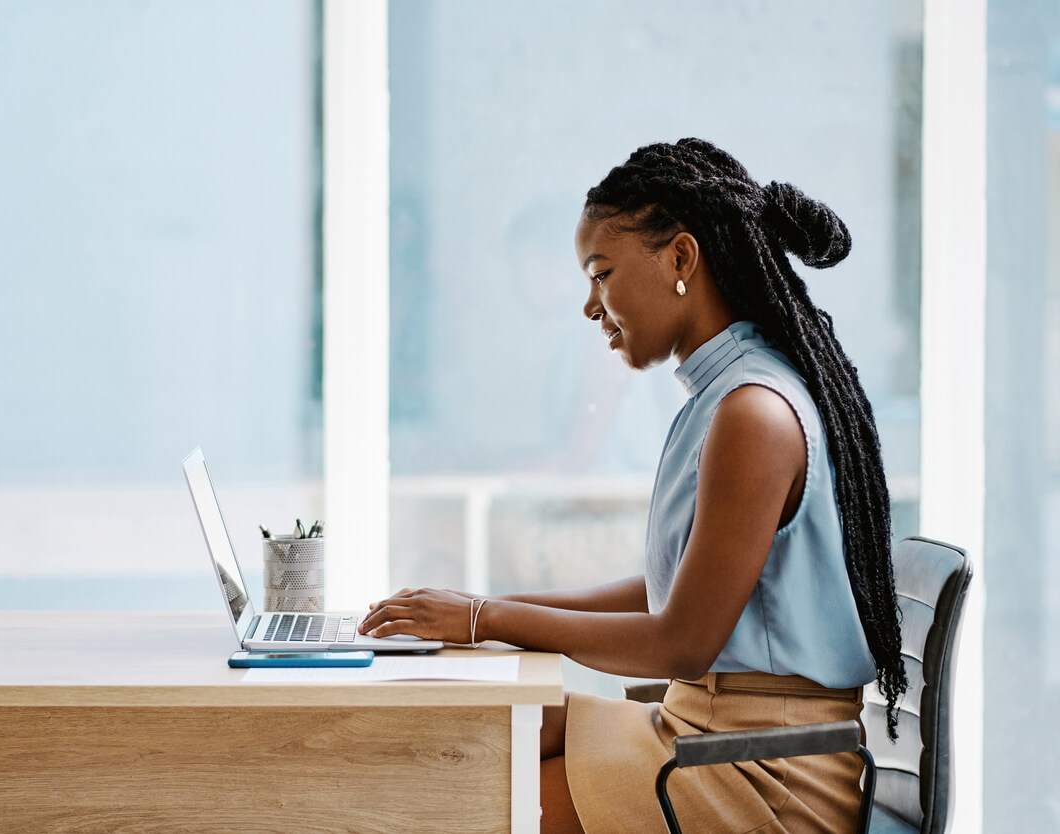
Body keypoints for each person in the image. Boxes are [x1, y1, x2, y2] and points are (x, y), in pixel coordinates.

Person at [358, 137, 907, 833]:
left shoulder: (753, 412)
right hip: (707, 737)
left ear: (680, 258)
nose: (591, 305)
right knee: (474, 747)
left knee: (479, 804)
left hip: (766, 776)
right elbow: (664, 593)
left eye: (602, 273)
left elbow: (682, 641)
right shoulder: (723, 396)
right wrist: (481, 609)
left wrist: (484, 621)